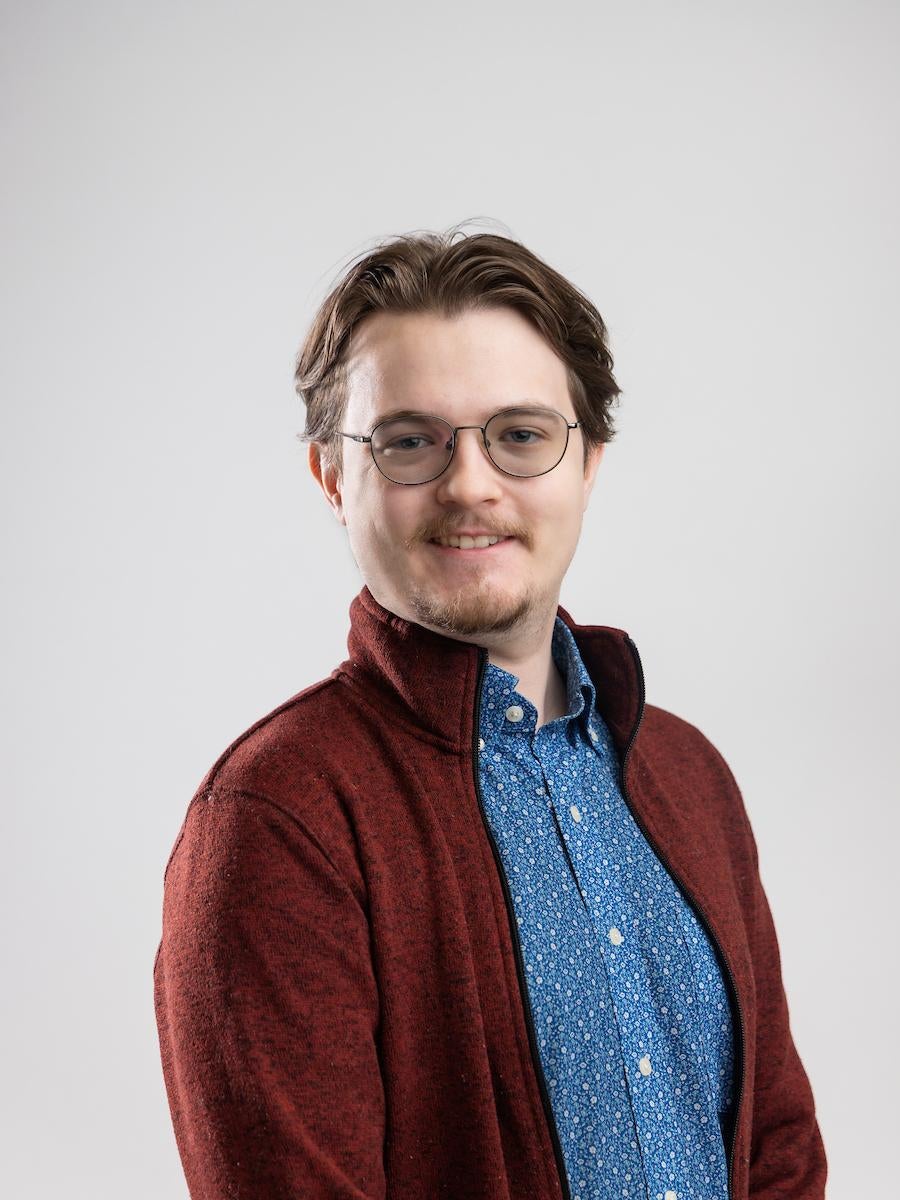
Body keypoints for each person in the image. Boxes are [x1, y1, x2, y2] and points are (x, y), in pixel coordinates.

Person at [153, 226, 827, 1200]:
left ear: (588, 461)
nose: (471, 484)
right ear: (332, 478)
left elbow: (778, 1146)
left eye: (520, 435)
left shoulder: (689, 775)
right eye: (410, 442)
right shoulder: (279, 818)